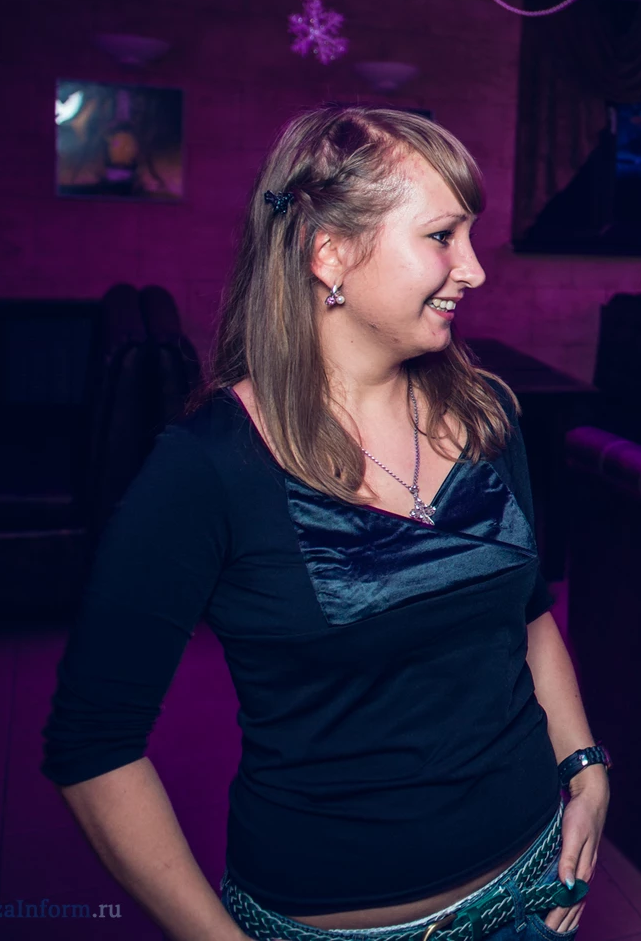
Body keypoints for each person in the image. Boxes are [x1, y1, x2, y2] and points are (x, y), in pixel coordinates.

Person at [42, 106, 609, 941]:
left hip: (534, 890)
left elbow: (527, 614)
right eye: (442, 236)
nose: (475, 269)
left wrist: (586, 767)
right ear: (329, 253)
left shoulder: (486, 416)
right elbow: (93, 747)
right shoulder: (206, 468)